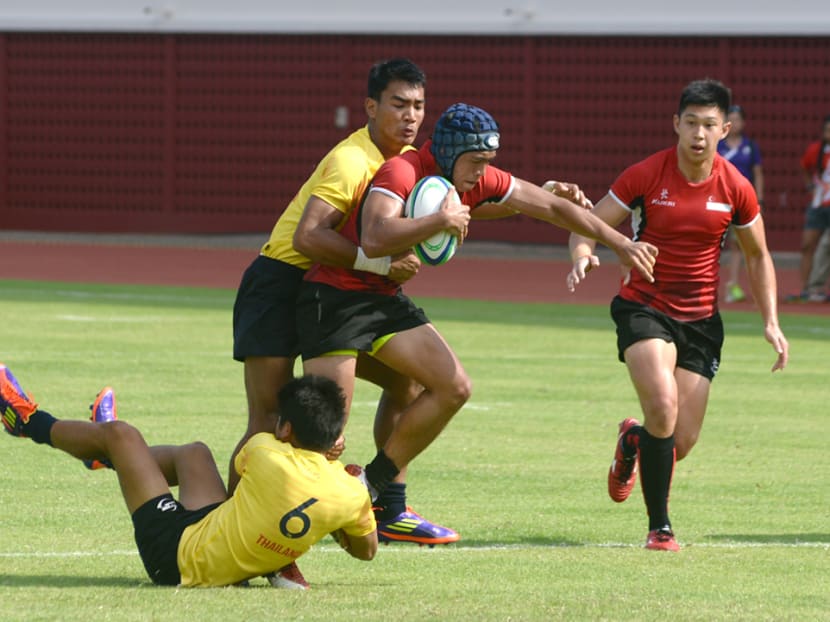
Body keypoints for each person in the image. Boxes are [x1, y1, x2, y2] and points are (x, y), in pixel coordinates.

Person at [294, 102, 659, 522]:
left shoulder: (472, 176)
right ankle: (280, 540)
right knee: (323, 436)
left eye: (489, 161)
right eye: (477, 161)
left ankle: (374, 487)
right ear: (450, 152)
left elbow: (553, 207)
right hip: (334, 299)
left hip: (382, 298)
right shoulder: (403, 171)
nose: (482, 172)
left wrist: (620, 243)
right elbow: (375, 237)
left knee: (454, 387)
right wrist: (441, 221)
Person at [231, 59, 458, 556]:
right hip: (280, 283)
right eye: (398, 104)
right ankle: (237, 534)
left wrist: (542, 194)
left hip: (338, 292)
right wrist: (378, 268)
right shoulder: (353, 160)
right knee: (270, 422)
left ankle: (387, 504)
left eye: (419, 106)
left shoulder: (411, 163)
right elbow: (307, 237)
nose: (411, 116)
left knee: (407, 381)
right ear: (371, 107)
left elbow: (470, 190)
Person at [567, 79, 789, 551]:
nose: (699, 134)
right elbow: (587, 223)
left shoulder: (736, 186)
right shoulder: (646, 174)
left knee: (677, 443)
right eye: (691, 123)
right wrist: (584, 251)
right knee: (663, 408)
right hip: (644, 308)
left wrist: (770, 320)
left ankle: (632, 443)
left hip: (702, 321)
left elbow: (758, 255)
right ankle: (660, 527)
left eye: (710, 125)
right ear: (676, 124)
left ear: (725, 129)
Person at [0, 364, 377, 588]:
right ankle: (109, 456)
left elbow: (244, 472)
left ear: (286, 429)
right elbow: (366, 551)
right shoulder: (350, 491)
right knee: (194, 453)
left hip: (176, 554)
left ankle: (27, 421)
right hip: (211, 530)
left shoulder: (265, 450)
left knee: (121, 434)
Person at [717, 104, 764, 303]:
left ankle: (733, 284)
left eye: (738, 119)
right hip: (718, 202)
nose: (735, 123)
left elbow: (758, 174)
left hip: (742, 204)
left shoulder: (750, 147)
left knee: (741, 246)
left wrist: (759, 199)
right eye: (731, 119)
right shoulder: (718, 146)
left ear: (743, 122)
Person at [786, 114, 830, 302]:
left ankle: (817, 287)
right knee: (807, 245)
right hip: (818, 204)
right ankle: (806, 288)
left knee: (825, 247)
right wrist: (810, 187)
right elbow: (804, 166)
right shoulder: (816, 150)